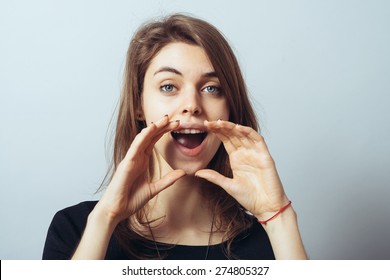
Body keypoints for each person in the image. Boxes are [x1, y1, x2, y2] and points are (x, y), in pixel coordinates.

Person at [42, 14, 307, 260]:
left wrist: (278, 217)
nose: (192, 104)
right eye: (169, 86)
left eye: (211, 88)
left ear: (230, 109)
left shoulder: (270, 241)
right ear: (139, 106)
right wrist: (106, 218)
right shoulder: (76, 228)